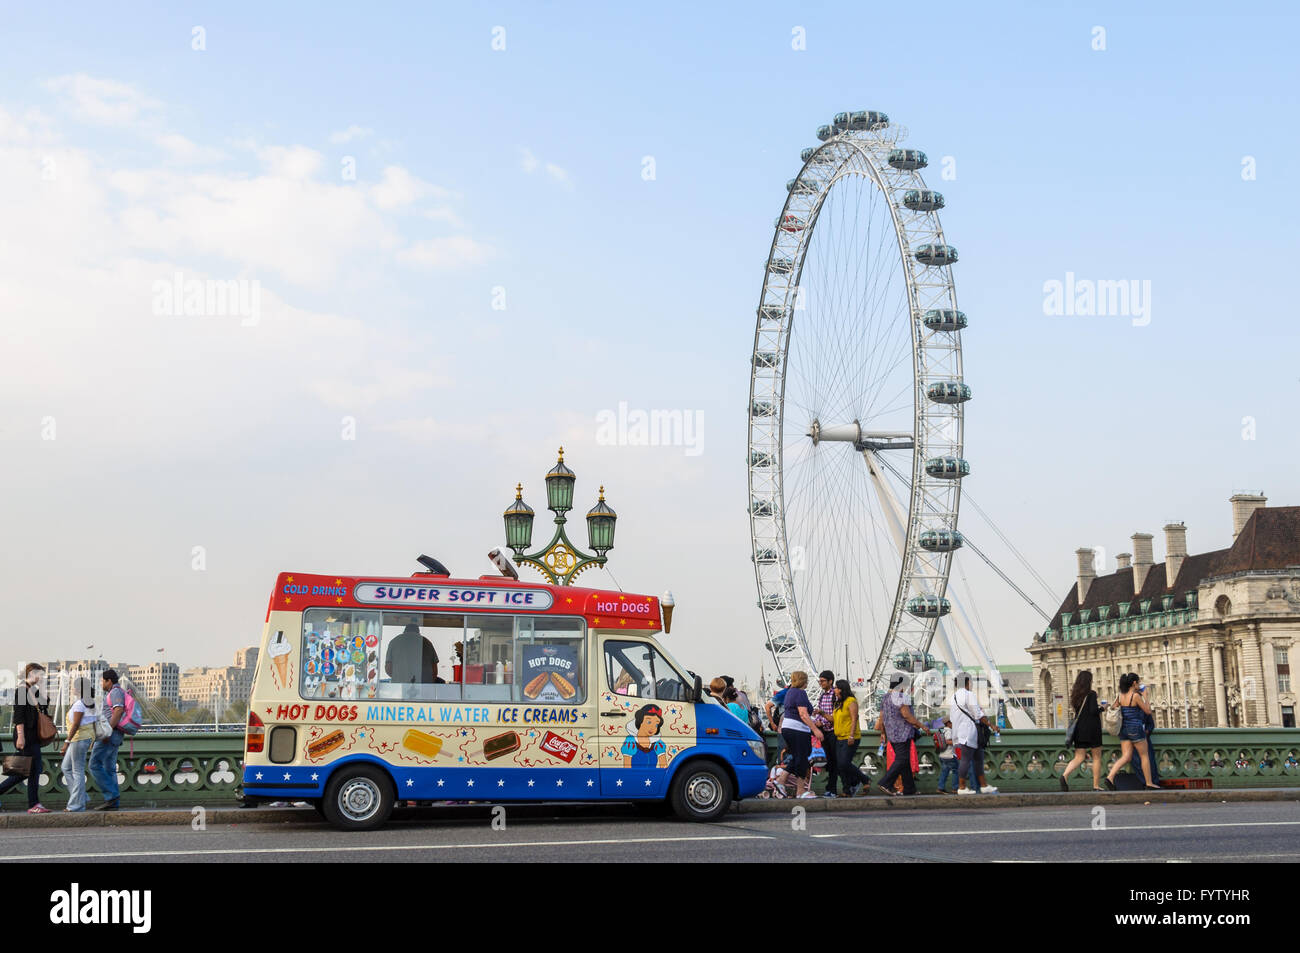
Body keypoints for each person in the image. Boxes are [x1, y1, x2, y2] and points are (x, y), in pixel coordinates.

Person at [0, 663, 52, 813]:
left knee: (22, 771)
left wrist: (41, 687)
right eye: (40, 674)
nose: (42, 677)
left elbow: (44, 703)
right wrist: (21, 737)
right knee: (31, 770)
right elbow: (19, 715)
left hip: (32, 736)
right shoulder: (22, 690)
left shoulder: (31, 690)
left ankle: (34, 804)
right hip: (26, 736)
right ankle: (34, 804)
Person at [874, 674, 928, 796]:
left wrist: (883, 732)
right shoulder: (903, 697)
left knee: (905, 761)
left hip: (891, 734)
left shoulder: (885, 697)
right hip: (903, 734)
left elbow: (881, 717)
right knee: (902, 759)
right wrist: (922, 725)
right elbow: (907, 715)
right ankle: (885, 782)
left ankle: (910, 789)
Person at [1104, 673, 1159, 791]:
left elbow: (1113, 708)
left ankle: (1110, 776)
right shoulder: (1135, 696)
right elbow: (1147, 711)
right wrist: (1145, 696)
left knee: (1126, 756)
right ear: (1134, 683)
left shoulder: (1120, 696)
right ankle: (1149, 783)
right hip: (1135, 728)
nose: (1139, 684)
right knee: (1144, 756)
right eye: (1138, 682)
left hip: (1123, 730)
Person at [951, 674, 998, 795]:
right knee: (966, 760)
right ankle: (961, 787)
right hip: (969, 731)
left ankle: (983, 785)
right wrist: (991, 725)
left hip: (960, 731)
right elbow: (978, 714)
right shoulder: (969, 695)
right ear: (967, 682)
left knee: (978, 758)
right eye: (970, 682)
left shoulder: (954, 696)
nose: (971, 684)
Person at [88, 668, 127, 811]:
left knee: (94, 765)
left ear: (108, 681)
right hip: (115, 735)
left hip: (110, 735)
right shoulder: (115, 692)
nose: (100, 684)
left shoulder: (115, 692)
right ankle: (113, 803)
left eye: (101, 681)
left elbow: (118, 711)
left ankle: (112, 796)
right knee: (109, 768)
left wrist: (107, 732)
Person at [780, 671, 823, 798]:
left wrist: (812, 711)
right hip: (798, 729)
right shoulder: (800, 693)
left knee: (798, 756)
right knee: (802, 759)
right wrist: (815, 729)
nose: (808, 682)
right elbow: (803, 714)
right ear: (803, 681)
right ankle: (800, 791)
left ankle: (781, 780)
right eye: (807, 680)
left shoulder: (790, 692)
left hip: (787, 727)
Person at [59, 676, 98, 812]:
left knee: (77, 771)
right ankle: (81, 797)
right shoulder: (90, 702)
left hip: (78, 739)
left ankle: (76, 805)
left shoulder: (80, 704)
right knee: (66, 767)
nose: (72, 688)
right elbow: (93, 723)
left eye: (74, 686)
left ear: (80, 689)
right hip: (84, 738)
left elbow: (76, 724)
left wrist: (66, 742)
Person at [1061, 669, 1104, 791]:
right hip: (1092, 730)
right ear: (1088, 681)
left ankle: (1064, 775)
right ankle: (1096, 785)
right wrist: (1103, 708)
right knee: (1096, 757)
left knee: (1079, 757)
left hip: (1079, 730)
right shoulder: (1091, 694)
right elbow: (1093, 711)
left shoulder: (1075, 695)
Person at [832, 679, 870, 796]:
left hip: (850, 737)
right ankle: (846, 790)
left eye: (836, 688)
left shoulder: (851, 701)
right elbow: (834, 719)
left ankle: (864, 779)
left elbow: (854, 719)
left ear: (841, 689)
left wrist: (851, 735)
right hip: (839, 737)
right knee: (840, 766)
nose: (834, 690)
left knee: (844, 763)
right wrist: (822, 714)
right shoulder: (837, 703)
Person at [811, 670, 840, 797]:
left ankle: (832, 789)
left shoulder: (835, 695)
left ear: (830, 681)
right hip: (824, 734)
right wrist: (817, 721)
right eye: (820, 681)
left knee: (834, 761)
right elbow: (820, 712)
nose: (820, 683)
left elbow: (836, 716)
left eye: (823, 681)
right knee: (828, 761)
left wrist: (822, 722)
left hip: (833, 732)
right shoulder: (822, 696)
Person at [384, 621, 439, 686]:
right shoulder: (427, 643)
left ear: (404, 631)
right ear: (418, 632)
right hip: (423, 687)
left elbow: (388, 668)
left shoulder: (394, 642)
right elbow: (434, 670)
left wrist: (399, 677)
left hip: (400, 686)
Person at [1131, 683, 1161, 787]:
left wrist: (1147, 731)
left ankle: (1152, 781)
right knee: (1138, 761)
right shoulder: (1131, 706)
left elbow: (1150, 724)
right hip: (1135, 736)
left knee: (1149, 761)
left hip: (1143, 737)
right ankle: (1145, 782)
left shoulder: (1142, 708)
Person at [935, 718, 959, 794]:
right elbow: (948, 741)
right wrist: (957, 741)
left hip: (943, 755)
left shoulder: (942, 730)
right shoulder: (949, 731)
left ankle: (940, 787)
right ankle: (955, 788)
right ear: (948, 723)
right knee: (956, 771)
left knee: (944, 771)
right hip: (950, 755)